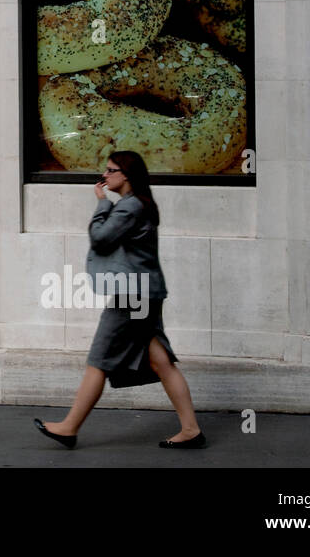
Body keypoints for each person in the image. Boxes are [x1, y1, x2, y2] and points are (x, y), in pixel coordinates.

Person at [33, 150, 205, 449]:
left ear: (125, 175)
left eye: (110, 170)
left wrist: (101, 204)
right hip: (144, 293)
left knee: (100, 357)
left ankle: (70, 427)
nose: (105, 175)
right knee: (160, 360)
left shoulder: (130, 207)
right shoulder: (138, 204)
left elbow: (101, 238)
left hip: (132, 295)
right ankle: (191, 430)